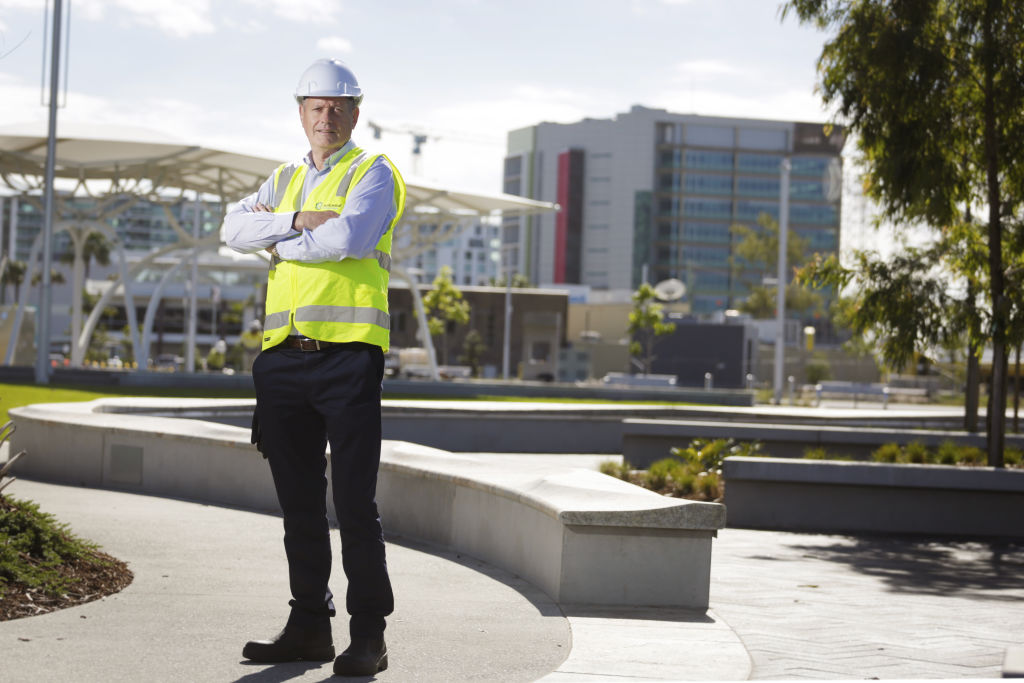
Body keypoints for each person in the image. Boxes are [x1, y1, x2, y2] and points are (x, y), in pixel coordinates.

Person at [222, 58, 405, 678]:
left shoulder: (373, 173)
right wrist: (297, 222)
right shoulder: (283, 179)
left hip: (349, 359)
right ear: (300, 112)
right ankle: (308, 627)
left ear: (357, 112)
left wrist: (271, 238)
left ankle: (369, 636)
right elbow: (230, 228)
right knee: (298, 505)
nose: (327, 117)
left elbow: (349, 241)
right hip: (281, 363)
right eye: (316, 107)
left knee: (355, 504)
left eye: (338, 107)